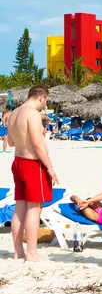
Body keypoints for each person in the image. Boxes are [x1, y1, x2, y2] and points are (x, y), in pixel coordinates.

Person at [7, 85, 58, 262]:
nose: (44, 105)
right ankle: (32, 252)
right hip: (32, 164)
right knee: (34, 208)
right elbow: (37, 144)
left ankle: (18, 251)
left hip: (18, 162)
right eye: (46, 101)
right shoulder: (33, 114)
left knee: (19, 208)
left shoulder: (14, 114)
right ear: (42, 97)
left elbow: (11, 142)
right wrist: (50, 168)